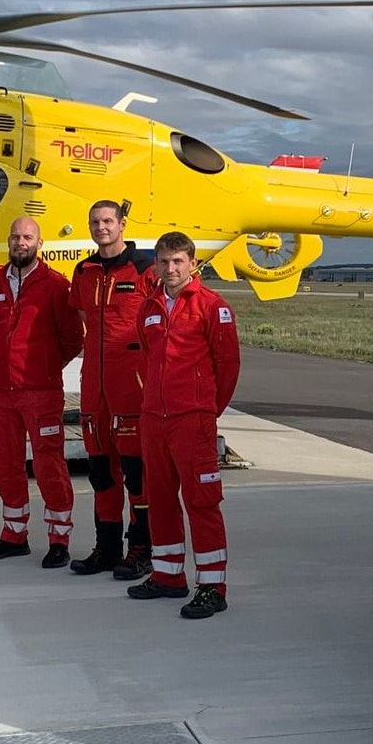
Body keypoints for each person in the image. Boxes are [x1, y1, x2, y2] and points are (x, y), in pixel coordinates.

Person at [127, 231, 241, 619]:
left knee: (202, 502)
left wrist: (206, 410)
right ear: (156, 265)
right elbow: (145, 358)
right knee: (158, 499)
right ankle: (168, 575)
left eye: (178, 261)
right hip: (154, 420)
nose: (170, 268)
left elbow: (227, 368)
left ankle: (212, 585)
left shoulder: (212, 307)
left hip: (193, 421)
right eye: (163, 261)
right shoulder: (150, 307)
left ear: (192, 264)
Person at [0, 217, 84, 567]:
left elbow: (72, 338)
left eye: (27, 237)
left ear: (39, 242)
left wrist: (46, 365)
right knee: (5, 462)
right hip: (1, 394)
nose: (20, 242)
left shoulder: (55, 285)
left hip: (40, 392)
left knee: (48, 464)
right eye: (15, 236)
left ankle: (58, 538)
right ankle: (13, 534)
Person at [66, 200, 155, 578]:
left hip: (131, 385)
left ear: (122, 224)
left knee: (137, 473)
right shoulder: (83, 270)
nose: (101, 227)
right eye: (94, 222)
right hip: (95, 388)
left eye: (107, 221)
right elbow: (85, 318)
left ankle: (142, 548)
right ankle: (106, 548)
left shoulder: (145, 268)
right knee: (101, 473)